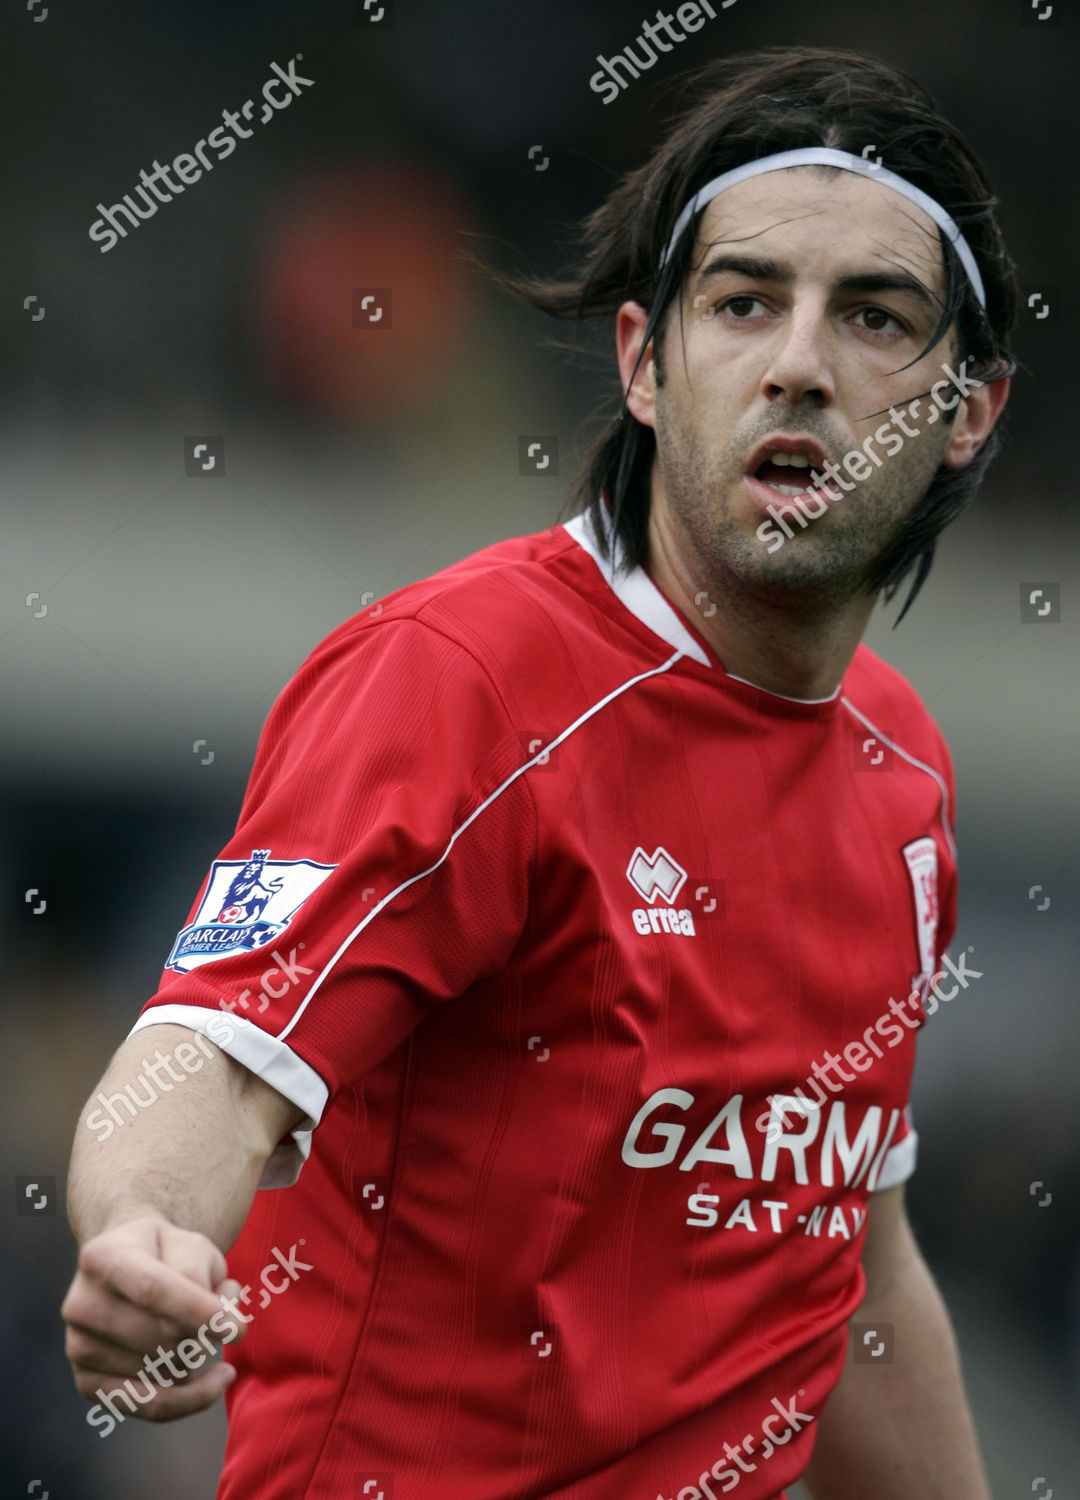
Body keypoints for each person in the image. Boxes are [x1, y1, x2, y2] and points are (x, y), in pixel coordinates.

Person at [62, 45, 1014, 1500]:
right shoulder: (460, 678)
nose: (802, 363)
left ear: (966, 413)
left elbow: (856, 1276)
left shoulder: (904, 773)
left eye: (875, 316)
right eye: (744, 301)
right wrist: (144, 1238)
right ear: (644, 362)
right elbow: (211, 1061)